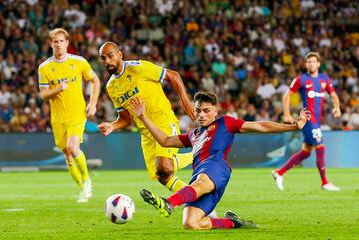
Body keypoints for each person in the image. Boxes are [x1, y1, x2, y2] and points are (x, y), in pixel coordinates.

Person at [129, 92, 310, 230]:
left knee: (200, 182)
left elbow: (261, 126)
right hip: (201, 175)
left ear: (215, 111)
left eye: (206, 111)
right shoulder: (193, 135)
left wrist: (293, 126)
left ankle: (169, 202)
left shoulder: (225, 123)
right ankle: (233, 223)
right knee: (190, 223)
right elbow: (165, 141)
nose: (201, 114)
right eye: (198, 110)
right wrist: (143, 117)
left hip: (216, 167)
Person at [98, 41, 195, 193]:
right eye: (103, 58)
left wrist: (186, 102)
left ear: (120, 55)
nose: (107, 61)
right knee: (162, 175)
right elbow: (126, 119)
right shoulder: (111, 87)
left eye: (110, 56)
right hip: (146, 133)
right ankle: (196, 199)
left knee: (164, 166)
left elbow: (172, 75)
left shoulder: (138, 68)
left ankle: (195, 154)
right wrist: (112, 126)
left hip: (163, 121)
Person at [38, 28, 101, 202]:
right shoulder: (44, 68)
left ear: (67, 43)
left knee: (73, 148)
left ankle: (87, 180)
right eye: (55, 41)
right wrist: (58, 88)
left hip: (77, 113)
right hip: (58, 118)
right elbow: (43, 94)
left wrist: (93, 103)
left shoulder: (79, 62)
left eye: (61, 41)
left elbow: (95, 80)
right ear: (51, 44)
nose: (58, 44)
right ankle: (82, 189)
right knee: (66, 152)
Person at [272, 52, 341, 191]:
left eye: (314, 61)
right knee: (320, 147)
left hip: (317, 120)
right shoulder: (301, 79)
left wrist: (337, 107)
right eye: (309, 62)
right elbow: (287, 95)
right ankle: (325, 182)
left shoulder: (324, 79)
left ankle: (279, 172)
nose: (311, 64)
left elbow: (333, 95)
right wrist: (286, 114)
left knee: (307, 151)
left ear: (319, 64)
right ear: (306, 64)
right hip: (309, 120)